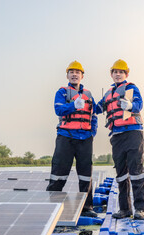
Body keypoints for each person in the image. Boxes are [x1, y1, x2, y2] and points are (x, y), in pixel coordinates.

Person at [96, 59, 144, 220]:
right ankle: (125, 209)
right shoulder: (108, 93)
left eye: (121, 72)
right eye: (115, 72)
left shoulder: (131, 88)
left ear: (126, 74)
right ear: (111, 74)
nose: (118, 74)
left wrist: (130, 106)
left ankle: (140, 209)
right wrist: (84, 106)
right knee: (121, 173)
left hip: (133, 133)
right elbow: (98, 107)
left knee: (136, 171)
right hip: (116, 136)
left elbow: (139, 104)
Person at [47, 60, 98, 217]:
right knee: (59, 172)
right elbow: (58, 109)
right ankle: (51, 206)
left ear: (82, 76)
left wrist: (93, 132)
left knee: (85, 174)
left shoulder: (88, 94)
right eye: (71, 72)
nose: (74, 74)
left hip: (85, 138)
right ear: (67, 75)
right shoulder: (62, 92)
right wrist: (73, 106)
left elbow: (94, 114)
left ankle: (87, 208)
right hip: (66, 137)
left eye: (77, 72)